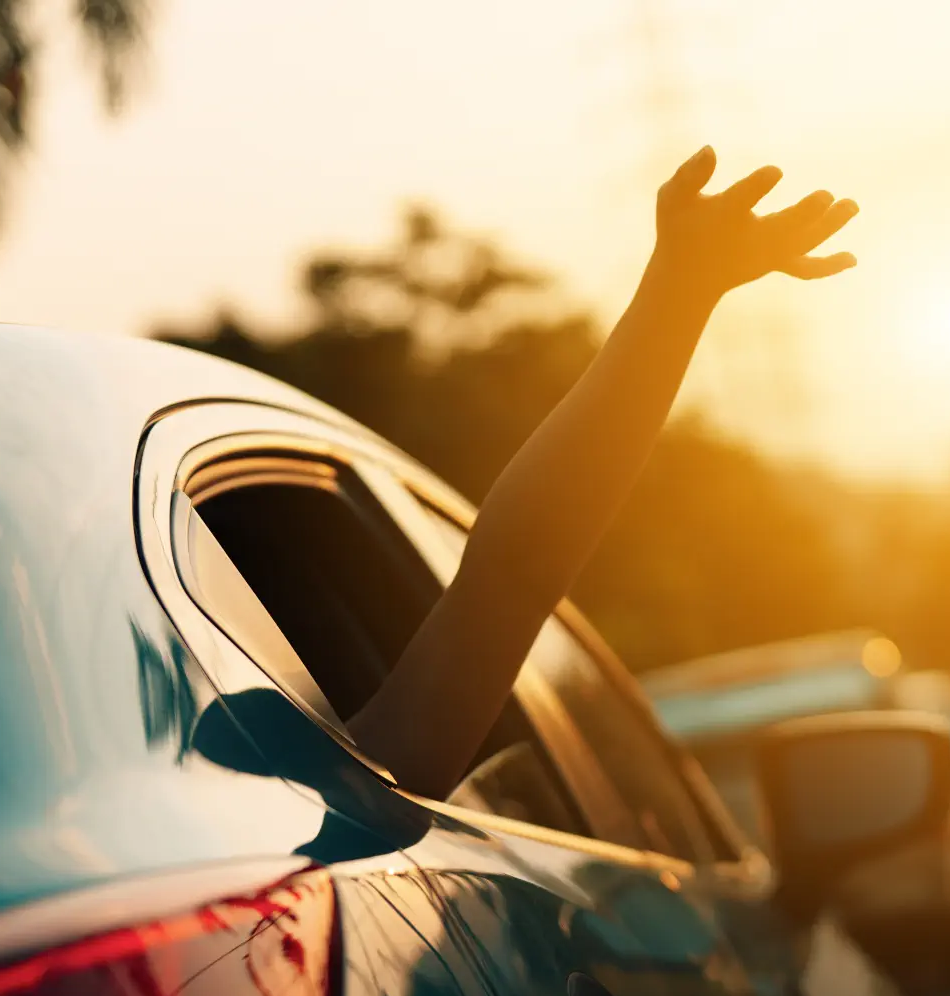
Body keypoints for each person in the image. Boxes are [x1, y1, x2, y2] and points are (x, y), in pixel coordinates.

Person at [344, 146, 859, 798]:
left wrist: (685, 286)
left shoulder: (322, 798)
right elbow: (512, 578)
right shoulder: (326, 802)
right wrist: (683, 287)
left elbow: (513, 578)